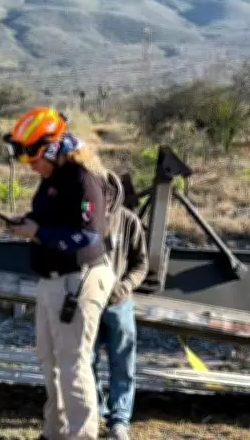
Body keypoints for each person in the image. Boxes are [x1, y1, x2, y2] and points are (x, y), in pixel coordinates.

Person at [1, 107, 116, 440]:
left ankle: (81, 435)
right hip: (53, 279)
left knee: (73, 365)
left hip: (78, 279)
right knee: (49, 362)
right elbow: (52, 219)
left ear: (52, 147)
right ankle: (56, 432)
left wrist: (37, 234)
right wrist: (28, 225)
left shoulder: (83, 179)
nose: (30, 166)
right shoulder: (51, 178)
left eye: (33, 158)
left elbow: (89, 236)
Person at [91, 172, 149, 440]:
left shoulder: (129, 221)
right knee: (85, 362)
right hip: (88, 305)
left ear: (116, 195)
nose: (106, 197)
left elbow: (141, 264)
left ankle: (119, 421)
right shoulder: (82, 220)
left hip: (119, 305)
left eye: (109, 192)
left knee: (122, 364)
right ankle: (95, 412)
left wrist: (125, 286)